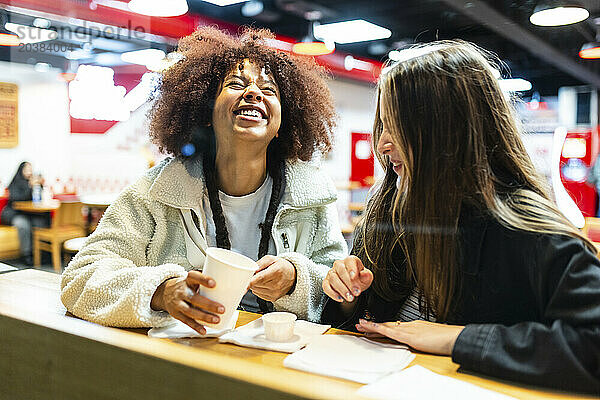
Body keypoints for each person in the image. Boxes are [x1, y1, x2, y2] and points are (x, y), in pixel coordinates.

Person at [320, 41, 600, 393]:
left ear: (446, 130)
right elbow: (355, 327)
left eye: (397, 125)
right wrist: (347, 296)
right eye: (383, 126)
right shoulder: (385, 214)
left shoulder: (533, 232)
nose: (383, 143)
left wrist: (459, 339)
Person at [61, 27, 347, 334]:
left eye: (270, 90)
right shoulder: (156, 192)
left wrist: (295, 278)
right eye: (236, 85)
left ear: (282, 123)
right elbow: (81, 277)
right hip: (185, 360)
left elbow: (340, 291)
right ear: (206, 112)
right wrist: (161, 291)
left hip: (281, 363)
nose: (253, 93)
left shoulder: (313, 197)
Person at [1, 162, 49, 265]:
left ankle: (42, 254)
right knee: (23, 225)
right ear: (21, 170)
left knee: (40, 222)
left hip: (29, 213)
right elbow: (17, 200)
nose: (29, 172)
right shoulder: (15, 183)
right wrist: (29, 186)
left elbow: (38, 199)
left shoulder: (32, 183)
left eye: (30, 170)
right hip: (14, 213)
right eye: (27, 169)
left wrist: (39, 185)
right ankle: (26, 255)